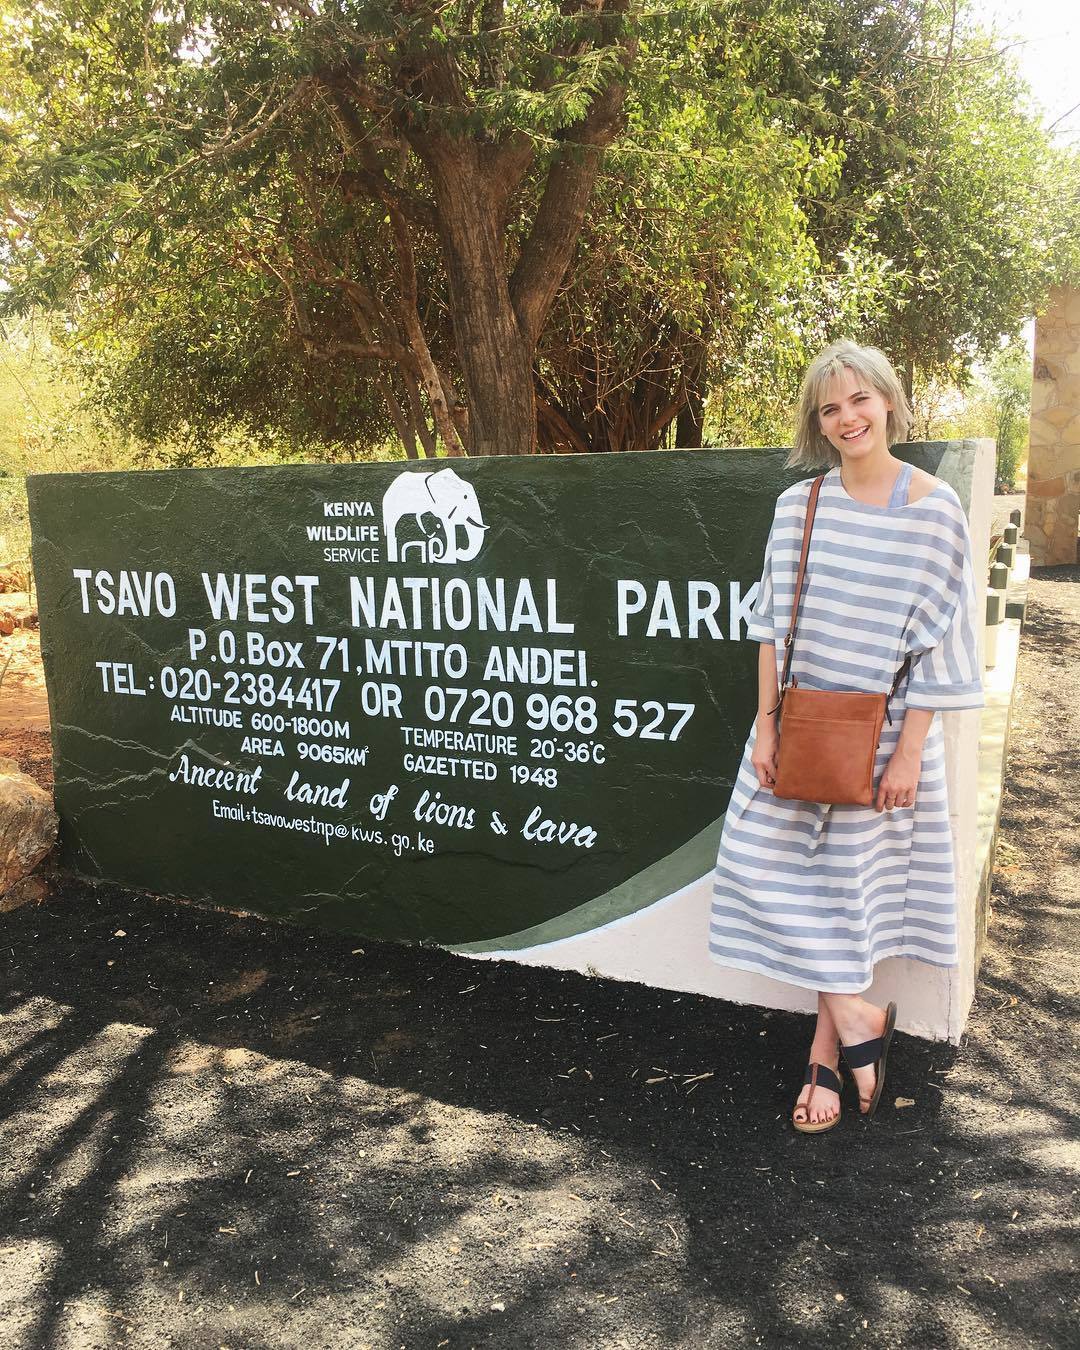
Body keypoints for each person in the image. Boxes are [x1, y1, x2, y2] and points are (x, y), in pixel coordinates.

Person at [708, 340, 985, 1133]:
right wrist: (766, 727)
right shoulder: (800, 506)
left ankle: (824, 1057)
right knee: (756, 869)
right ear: (818, 423)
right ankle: (859, 1015)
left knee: (847, 897)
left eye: (860, 399)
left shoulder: (934, 508)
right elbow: (769, 627)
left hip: (886, 736)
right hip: (799, 728)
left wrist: (909, 753)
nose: (847, 417)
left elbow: (944, 643)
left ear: (888, 401)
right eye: (830, 408)